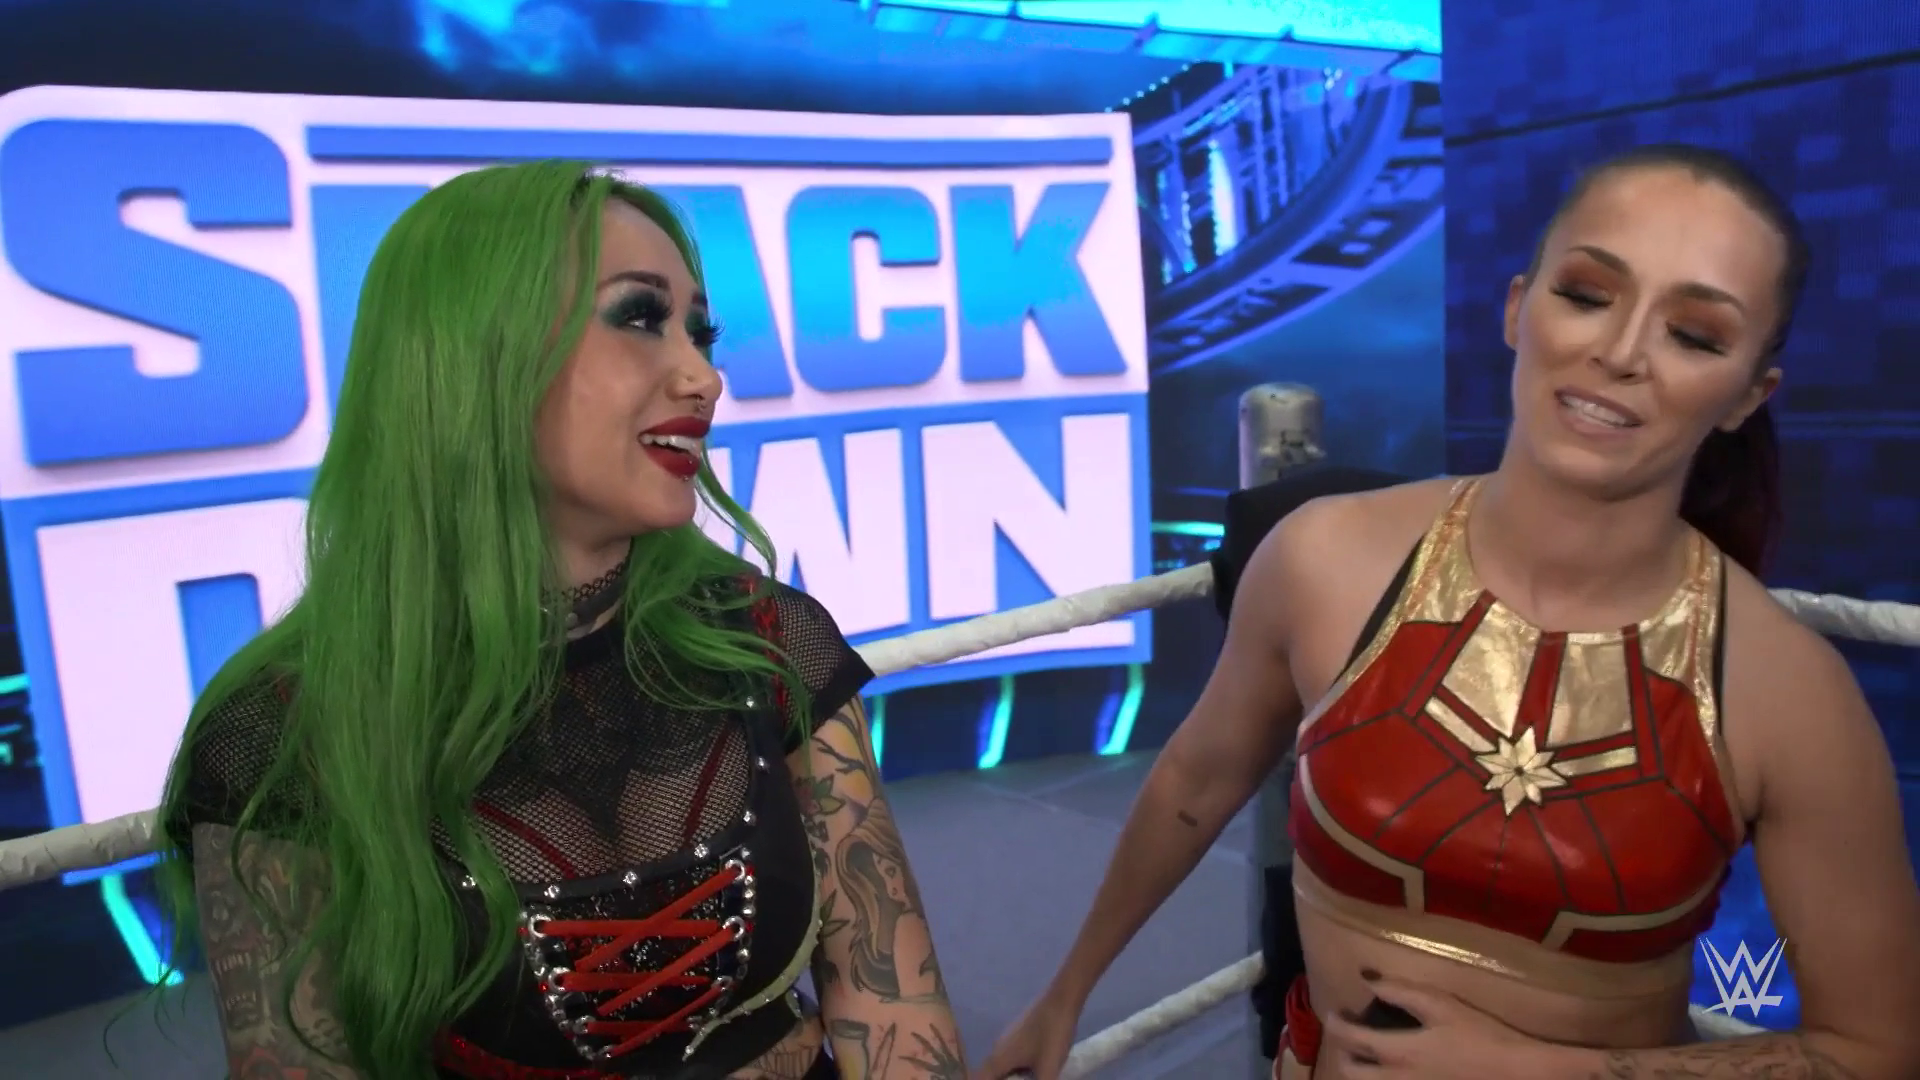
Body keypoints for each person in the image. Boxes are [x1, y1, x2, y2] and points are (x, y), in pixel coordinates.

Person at [978, 143, 1920, 1079]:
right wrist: (1066, 995)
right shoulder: (1322, 558)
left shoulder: (1789, 695)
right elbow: (1196, 781)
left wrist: (1533, 1070)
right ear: (1517, 308)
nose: (1621, 353)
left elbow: (1874, 1050)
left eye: (1695, 336)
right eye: (1587, 294)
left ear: (1749, 395)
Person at [152, 161, 966, 1080]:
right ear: (473, 356)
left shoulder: (769, 638)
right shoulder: (284, 730)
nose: (703, 377)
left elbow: (892, 1009)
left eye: (700, 333)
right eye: (639, 317)